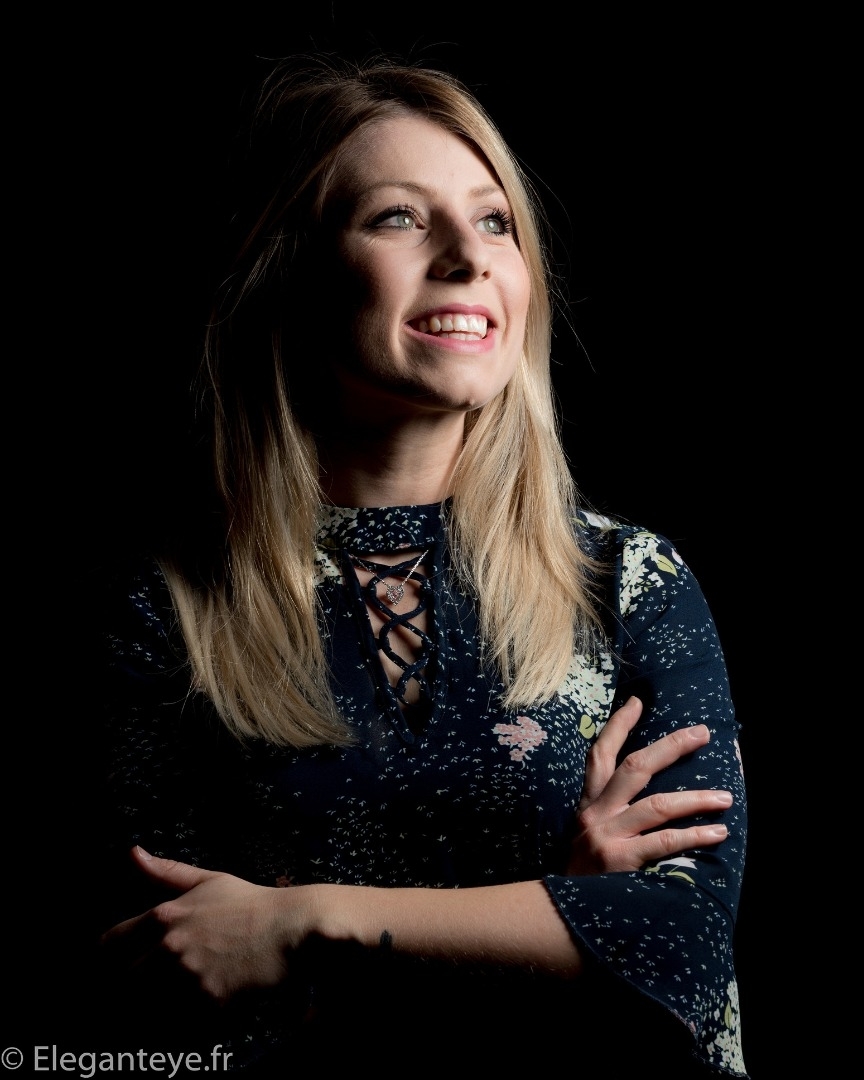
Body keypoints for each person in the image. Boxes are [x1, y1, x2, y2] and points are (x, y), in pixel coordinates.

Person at [94, 56, 748, 1077]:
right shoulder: (167, 613)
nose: (466, 258)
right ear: (290, 271)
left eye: (494, 222)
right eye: (398, 217)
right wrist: (558, 915)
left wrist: (300, 924)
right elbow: (168, 1001)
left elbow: (679, 947)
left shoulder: (628, 582)